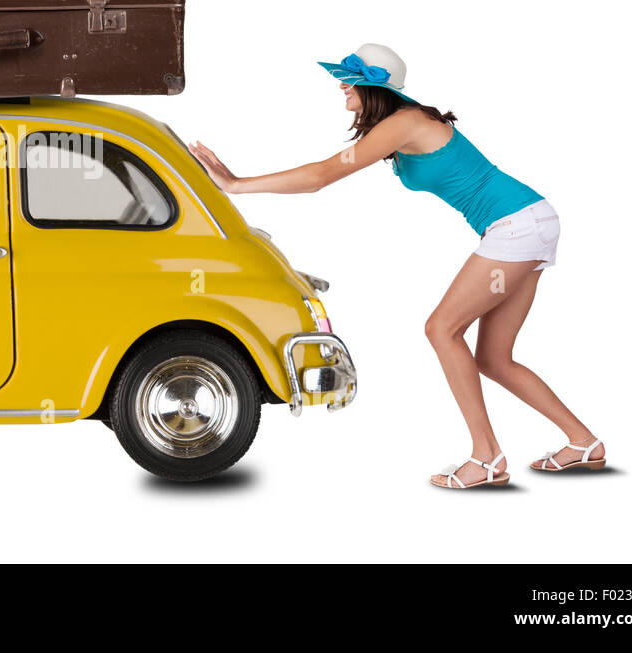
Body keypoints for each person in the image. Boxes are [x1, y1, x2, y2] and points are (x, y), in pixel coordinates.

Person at [188, 44, 605, 489]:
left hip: (516, 225)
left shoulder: (404, 123)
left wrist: (236, 185)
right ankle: (583, 443)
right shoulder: (401, 125)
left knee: (441, 329)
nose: (341, 85)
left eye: (349, 79)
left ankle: (487, 458)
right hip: (528, 221)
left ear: (375, 86)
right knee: (494, 359)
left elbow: (322, 175)